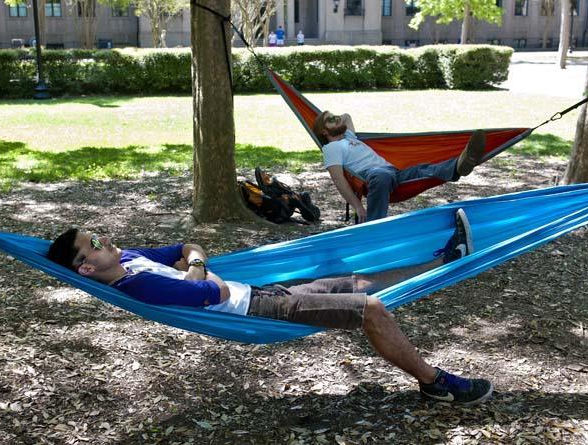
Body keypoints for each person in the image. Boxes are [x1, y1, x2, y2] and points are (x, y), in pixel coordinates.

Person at [47, 209, 493, 405]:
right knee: (370, 308)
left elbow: (189, 247)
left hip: (260, 289)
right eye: (96, 243)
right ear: (85, 269)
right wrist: (199, 272)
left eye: (99, 234)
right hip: (258, 311)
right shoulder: (140, 285)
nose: (107, 238)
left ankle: (443, 259)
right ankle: (437, 384)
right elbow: (214, 295)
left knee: (350, 281)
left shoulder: (130, 258)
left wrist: (196, 265)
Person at [312, 111, 487, 222]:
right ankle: (373, 228)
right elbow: (338, 179)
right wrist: (357, 205)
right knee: (381, 175)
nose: (335, 118)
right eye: (329, 120)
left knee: (422, 170)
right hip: (373, 175)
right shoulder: (331, 148)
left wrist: (333, 119)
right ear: (324, 133)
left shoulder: (350, 137)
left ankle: (459, 165)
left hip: (393, 173)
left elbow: (347, 116)